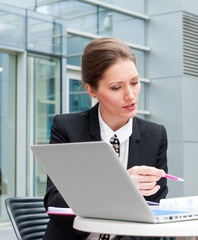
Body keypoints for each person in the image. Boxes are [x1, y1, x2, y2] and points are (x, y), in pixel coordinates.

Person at [43, 38, 169, 240]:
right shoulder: (67, 129)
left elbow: (154, 208)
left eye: (135, 83)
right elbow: (55, 204)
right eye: (116, 88)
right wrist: (120, 186)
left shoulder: (155, 136)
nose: (131, 96)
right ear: (91, 90)